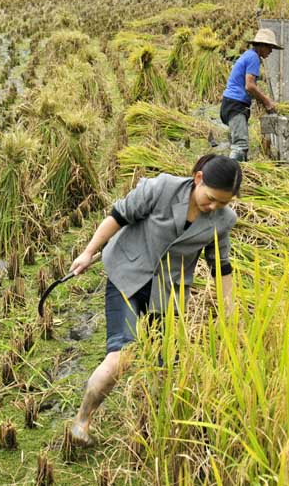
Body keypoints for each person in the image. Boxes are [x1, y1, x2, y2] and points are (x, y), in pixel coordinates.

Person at [67, 154, 242, 445]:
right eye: (211, 198)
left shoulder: (223, 220)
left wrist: (229, 309)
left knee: (169, 367)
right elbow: (118, 215)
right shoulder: (161, 188)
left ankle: (160, 428)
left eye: (222, 203)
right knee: (122, 356)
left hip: (169, 291)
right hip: (128, 273)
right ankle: (82, 421)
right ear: (198, 179)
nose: (214, 207)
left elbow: (220, 266)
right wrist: (88, 252)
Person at [221, 28, 283, 162]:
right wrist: (267, 101)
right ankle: (232, 176)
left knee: (239, 143)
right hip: (235, 105)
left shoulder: (249, 55)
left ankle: (239, 174)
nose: (271, 51)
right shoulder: (254, 58)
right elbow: (249, 86)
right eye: (270, 47)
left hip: (231, 103)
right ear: (262, 46)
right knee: (240, 145)